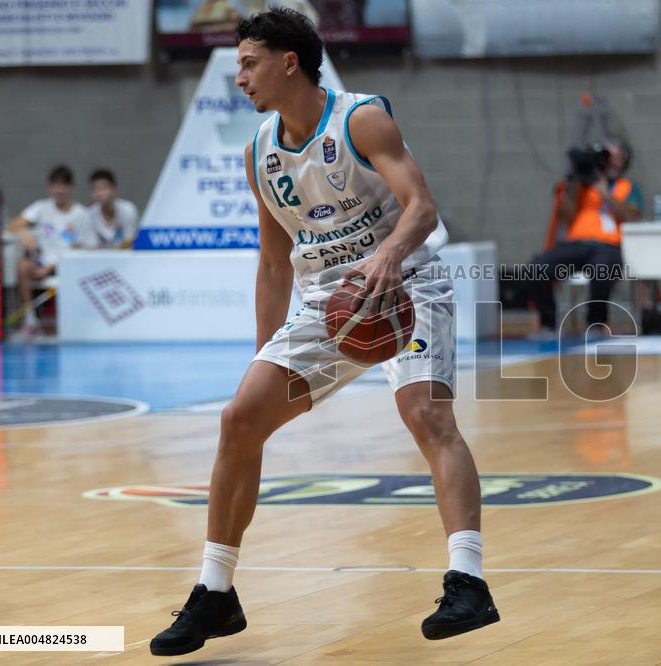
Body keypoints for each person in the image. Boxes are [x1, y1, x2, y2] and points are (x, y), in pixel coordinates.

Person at [149, 9, 499, 657]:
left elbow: (422, 207)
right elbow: (272, 261)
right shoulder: (259, 151)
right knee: (239, 420)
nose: (240, 77)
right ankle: (216, 593)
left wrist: (389, 256)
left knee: (427, 415)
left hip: (406, 283)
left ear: (290, 62)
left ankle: (468, 581)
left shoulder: (361, 119)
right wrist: (264, 352)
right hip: (325, 304)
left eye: (249, 63)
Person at [527, 142, 642, 339]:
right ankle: (548, 324)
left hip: (608, 245)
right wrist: (574, 183)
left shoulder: (627, 187)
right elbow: (565, 217)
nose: (609, 161)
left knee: (602, 272)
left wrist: (605, 192)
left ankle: (595, 325)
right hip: (576, 244)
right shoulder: (578, 186)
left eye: (614, 156)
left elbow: (632, 216)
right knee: (537, 267)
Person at [7, 165, 89, 335]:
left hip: (68, 266)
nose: (59, 190)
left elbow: (87, 248)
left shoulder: (81, 214)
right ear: (49, 187)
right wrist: (23, 232)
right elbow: (12, 226)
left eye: (63, 185)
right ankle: (30, 319)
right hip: (41, 263)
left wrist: (52, 267)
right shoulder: (40, 208)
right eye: (55, 185)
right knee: (22, 266)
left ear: (71, 188)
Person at [83, 169, 139, 249]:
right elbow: (92, 246)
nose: (101, 194)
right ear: (92, 193)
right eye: (97, 189)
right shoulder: (88, 215)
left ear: (114, 189)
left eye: (104, 188)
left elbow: (130, 242)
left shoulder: (129, 210)